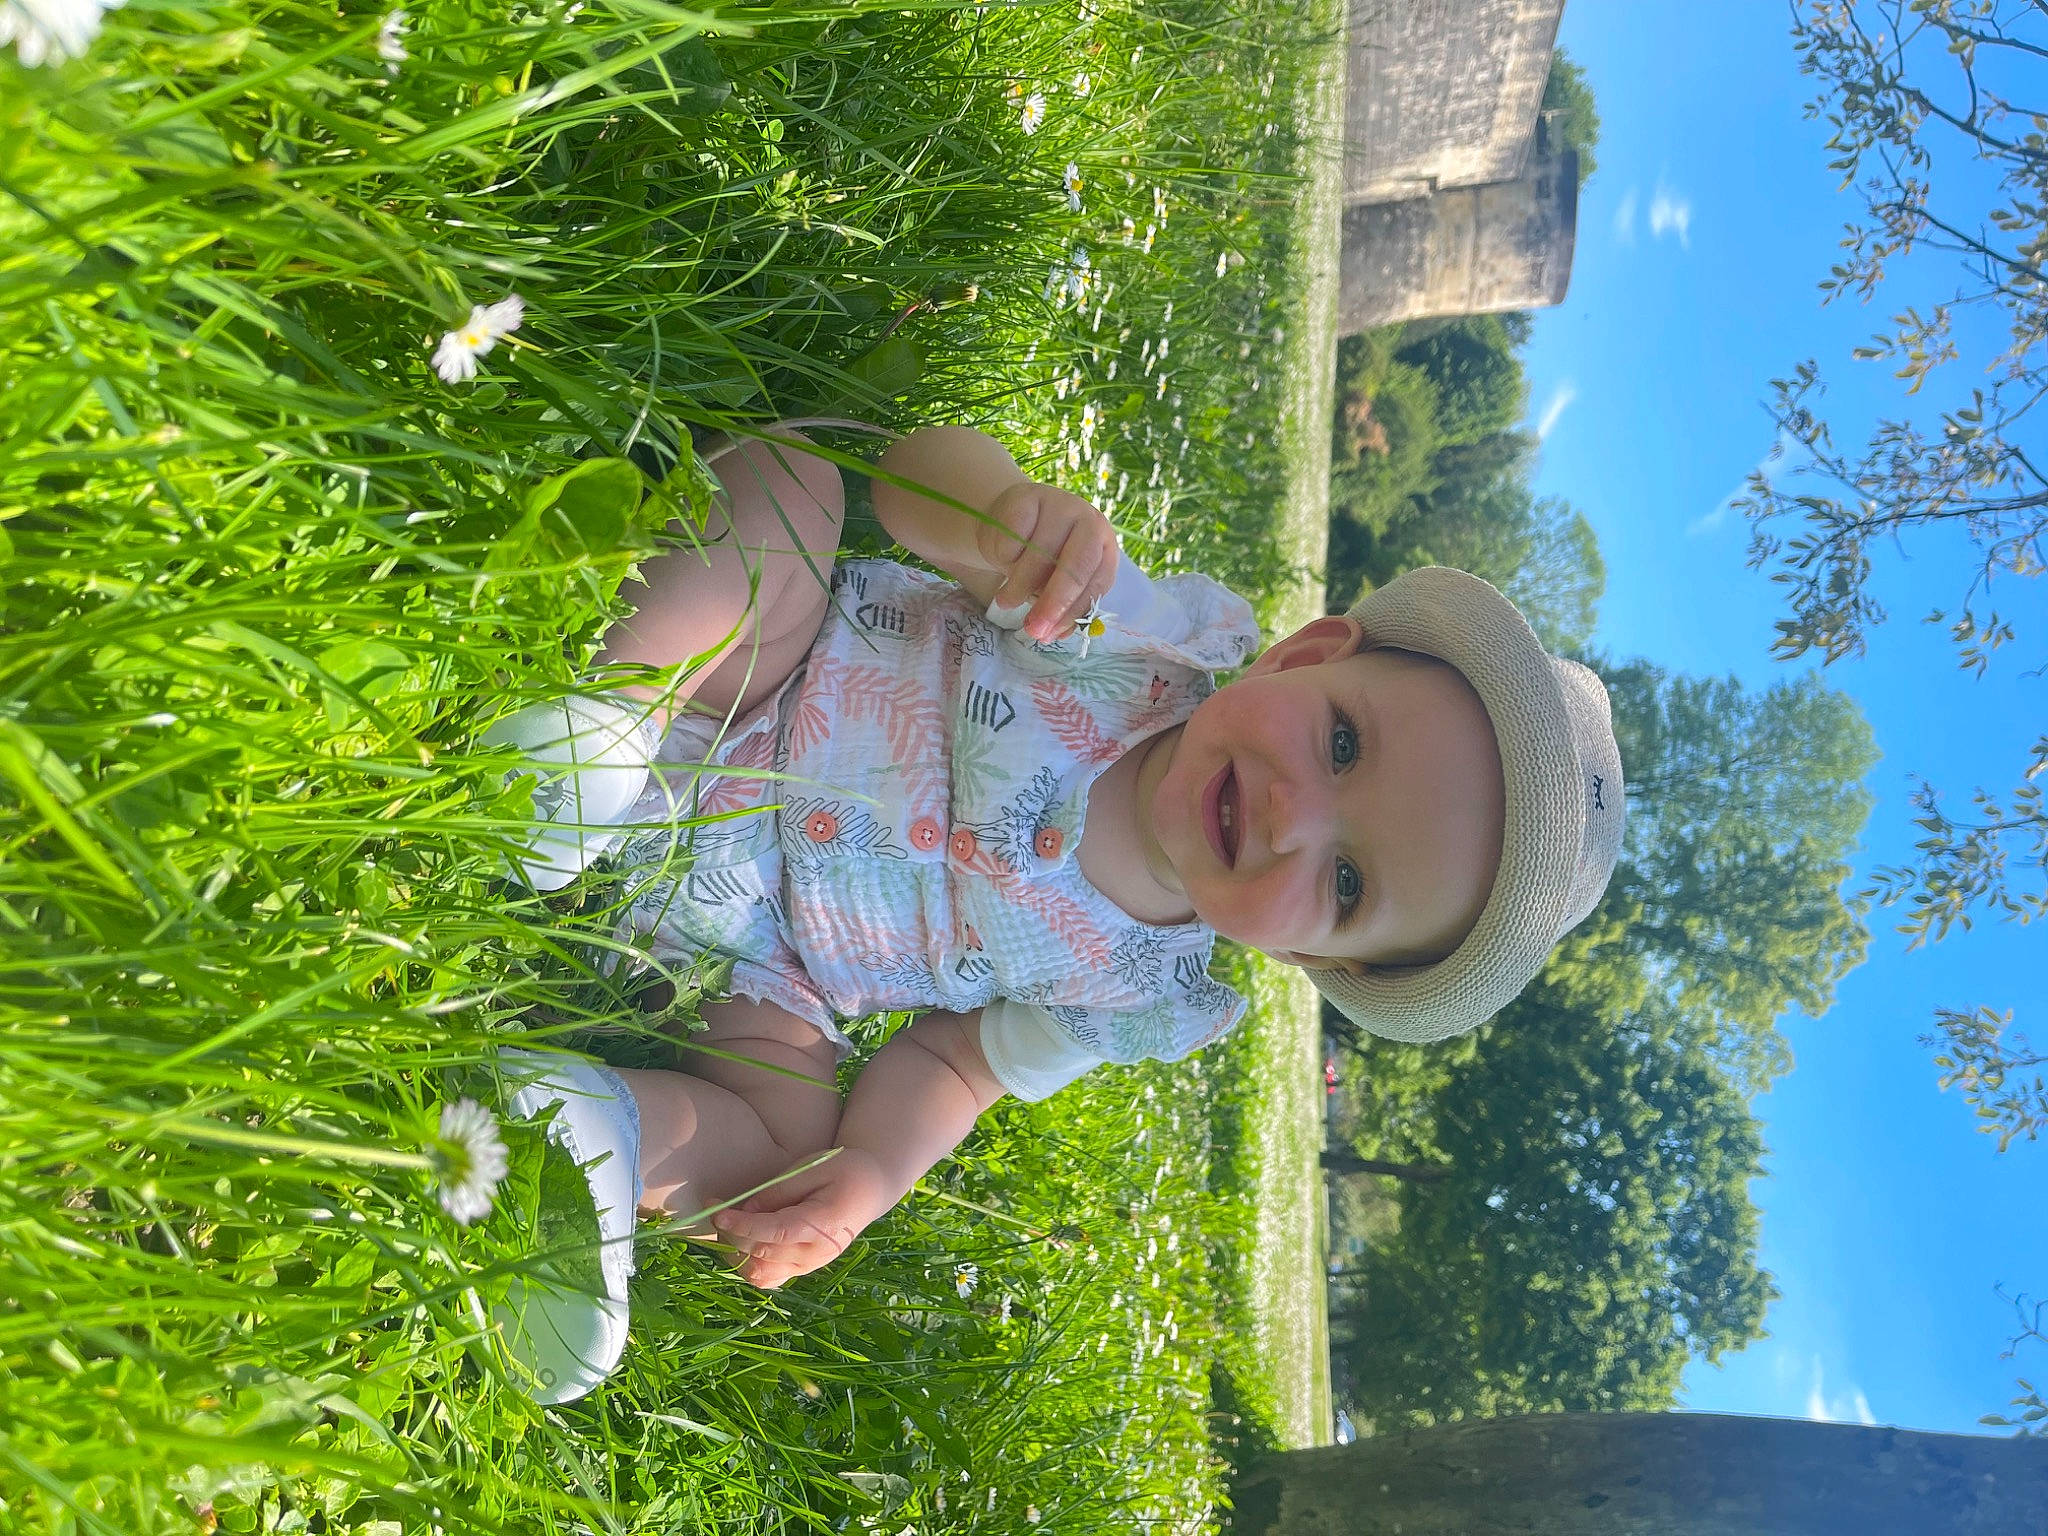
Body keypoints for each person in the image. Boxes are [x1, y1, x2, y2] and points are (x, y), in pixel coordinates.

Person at [482, 422, 1626, 1402]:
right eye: (1339, 744)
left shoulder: (1142, 996)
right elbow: (903, 477)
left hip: (761, 969)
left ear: (1302, 958)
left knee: (789, 1151)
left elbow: (958, 1064)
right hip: (748, 674)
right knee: (794, 487)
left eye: (1343, 882)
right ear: (1305, 653)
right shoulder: (1134, 633)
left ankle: (586, 1136)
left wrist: (874, 1175)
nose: (1292, 818)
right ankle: (598, 726)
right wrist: (996, 519)